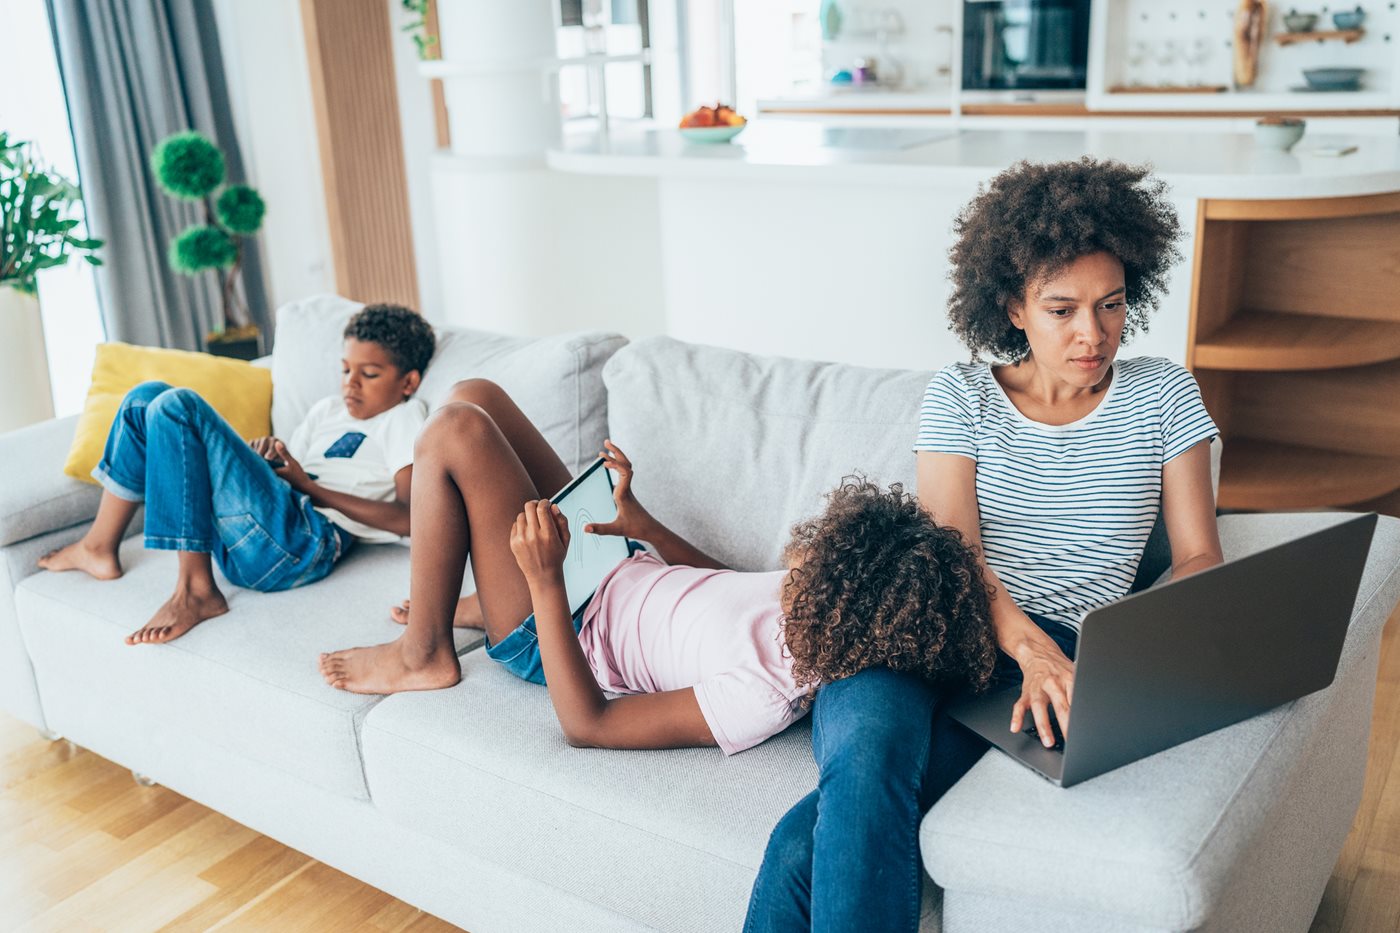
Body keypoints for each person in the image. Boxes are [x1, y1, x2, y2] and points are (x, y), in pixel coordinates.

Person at [745, 157, 1224, 932]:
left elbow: (1200, 556)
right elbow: (955, 559)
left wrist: (1114, 647)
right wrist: (1032, 649)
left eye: (1111, 305)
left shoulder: (1164, 395)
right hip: (921, 630)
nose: (1092, 334)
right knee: (865, 755)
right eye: (1062, 309)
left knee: (801, 847)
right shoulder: (961, 396)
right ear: (1012, 306)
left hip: (1054, 656)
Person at [318, 380, 998, 759]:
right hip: (615, 563)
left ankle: (426, 649)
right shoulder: (801, 604)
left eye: (814, 561)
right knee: (478, 394)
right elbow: (717, 581)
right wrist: (637, 520)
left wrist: (547, 581)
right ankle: (463, 603)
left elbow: (590, 724)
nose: (800, 554)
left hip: (558, 626)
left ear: (838, 602)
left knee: (453, 433)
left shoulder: (761, 693)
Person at [39, 303, 436, 646]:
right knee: (146, 396)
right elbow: (285, 471)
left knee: (179, 405)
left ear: (408, 382)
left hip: (304, 540)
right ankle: (98, 547)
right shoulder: (326, 411)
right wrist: (265, 457)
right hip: (272, 515)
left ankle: (196, 589)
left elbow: (409, 518)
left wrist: (309, 488)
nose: (351, 383)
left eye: (368, 374)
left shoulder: (402, 419)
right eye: (346, 369)